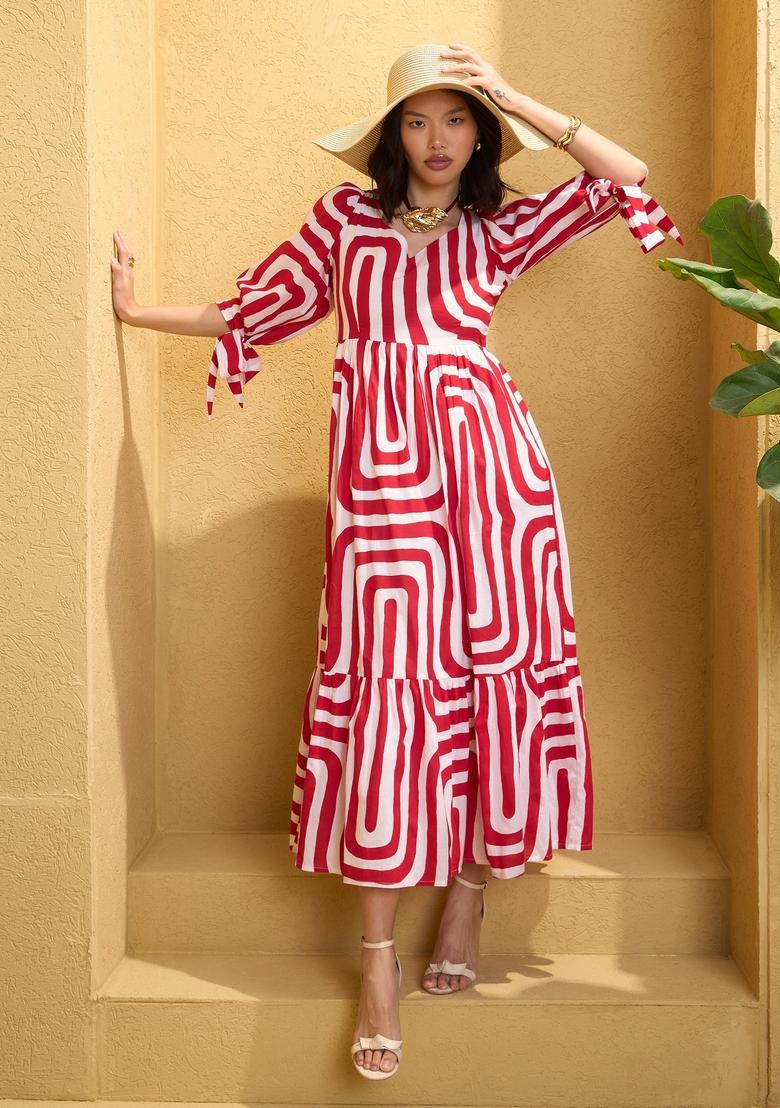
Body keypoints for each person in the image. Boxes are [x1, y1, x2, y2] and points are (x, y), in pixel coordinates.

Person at [110, 41, 683, 1082]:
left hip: (497, 480)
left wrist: (511, 92)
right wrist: (137, 311)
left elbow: (627, 177)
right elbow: (254, 310)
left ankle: (468, 889)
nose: (436, 141)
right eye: (417, 122)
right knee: (392, 683)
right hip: (382, 493)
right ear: (388, 138)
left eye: (457, 120)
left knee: (488, 664)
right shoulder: (344, 227)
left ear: (480, 134)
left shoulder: (500, 227)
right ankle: (376, 958)